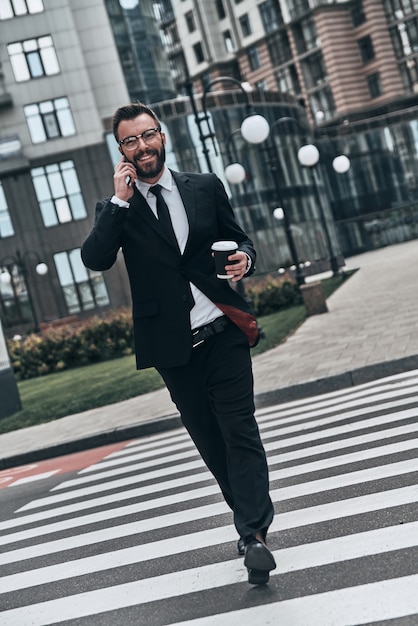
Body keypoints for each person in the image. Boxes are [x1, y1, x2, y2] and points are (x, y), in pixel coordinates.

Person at [81, 102, 276, 585]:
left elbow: (240, 239)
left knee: (240, 430)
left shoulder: (205, 186)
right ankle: (248, 521)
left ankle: (253, 534)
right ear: (121, 150)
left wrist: (244, 261)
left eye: (148, 135)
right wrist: (120, 200)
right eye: (130, 140)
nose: (142, 145)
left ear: (162, 136)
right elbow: (95, 258)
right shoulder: (117, 210)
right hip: (173, 349)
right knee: (210, 441)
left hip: (221, 331)